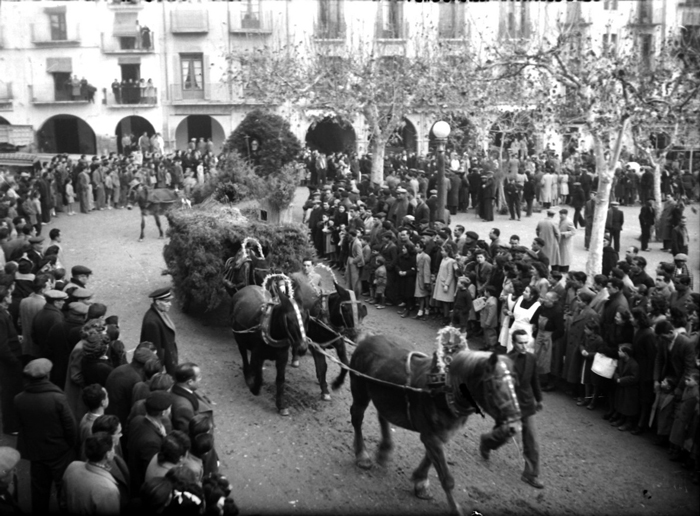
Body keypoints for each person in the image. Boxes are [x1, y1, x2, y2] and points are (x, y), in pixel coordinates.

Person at [479, 330, 544, 489]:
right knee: (504, 434)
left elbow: (534, 380)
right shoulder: (505, 361)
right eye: (520, 343)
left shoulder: (531, 358)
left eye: (526, 342)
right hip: (510, 406)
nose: (524, 346)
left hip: (528, 404)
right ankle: (486, 442)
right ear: (513, 343)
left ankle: (530, 474)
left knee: (532, 440)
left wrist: (539, 399)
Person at [14, 358, 77, 515]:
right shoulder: (58, 398)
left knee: (39, 490)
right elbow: (70, 426)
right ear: (47, 375)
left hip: (36, 451)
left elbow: (21, 425)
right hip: (58, 451)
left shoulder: (19, 399)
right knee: (63, 487)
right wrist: (70, 445)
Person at [62, 432, 121, 516]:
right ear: (107, 454)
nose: (114, 451)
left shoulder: (72, 467)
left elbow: (63, 502)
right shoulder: (108, 489)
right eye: (112, 448)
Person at [0, 285, 23, 436]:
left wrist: (15, 338)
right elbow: (2, 345)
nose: (11, 298)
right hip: (8, 363)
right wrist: (13, 360)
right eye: (9, 296)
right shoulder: (1, 317)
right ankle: (10, 426)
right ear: (3, 299)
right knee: (9, 393)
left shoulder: (3, 313)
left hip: (10, 359)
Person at [140, 288, 178, 376]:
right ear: (157, 302)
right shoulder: (152, 322)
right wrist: (159, 371)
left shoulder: (160, 312)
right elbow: (155, 350)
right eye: (167, 301)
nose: (170, 304)